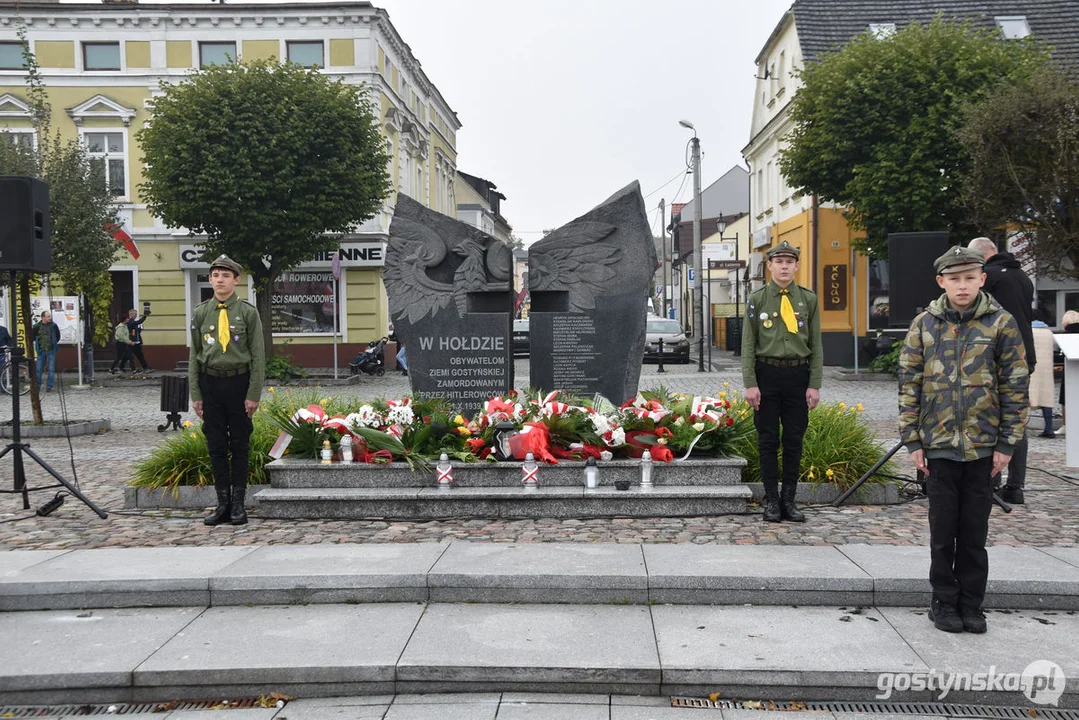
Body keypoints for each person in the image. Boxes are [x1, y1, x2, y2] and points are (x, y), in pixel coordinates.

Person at [898, 246, 1027, 634]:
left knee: (974, 532)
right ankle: (943, 601)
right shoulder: (924, 324)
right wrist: (912, 440)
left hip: (982, 447)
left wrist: (1007, 444)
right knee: (942, 533)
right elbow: (909, 384)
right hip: (937, 446)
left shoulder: (1001, 323)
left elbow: (1015, 386)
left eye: (969, 277)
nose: (962, 285)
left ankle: (972, 603)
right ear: (941, 282)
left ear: (982, 279)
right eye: (954, 279)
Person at [740, 240, 823, 523]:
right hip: (767, 375)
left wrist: (814, 384)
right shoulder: (758, 298)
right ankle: (771, 501)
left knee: (793, 440)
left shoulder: (808, 299)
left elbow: (816, 344)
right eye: (779, 262)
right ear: (770, 266)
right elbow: (749, 343)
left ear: (797, 266)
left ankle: (789, 500)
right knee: (767, 440)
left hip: (798, 376)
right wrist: (750, 383)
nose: (784, 266)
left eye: (790, 262)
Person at [189, 255, 265, 526]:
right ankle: (221, 504)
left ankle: (238, 506)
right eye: (215, 275)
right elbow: (194, 356)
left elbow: (257, 355)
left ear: (236, 280)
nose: (219, 280)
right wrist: (196, 395)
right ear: (209, 279)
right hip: (211, 385)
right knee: (216, 445)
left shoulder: (247, 312)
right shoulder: (200, 313)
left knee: (240, 445)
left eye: (225, 275)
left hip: (239, 383)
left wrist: (253, 393)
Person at [968, 237, 1034, 505]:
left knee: (989, 414)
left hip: (994, 354)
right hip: (1025, 354)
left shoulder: (989, 278)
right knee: (1016, 417)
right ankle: (1016, 486)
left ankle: (991, 482)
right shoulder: (1024, 278)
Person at [1030, 311, 1056, 440]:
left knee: (1026, 396)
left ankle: (1020, 428)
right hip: (1046, 369)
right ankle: (1049, 428)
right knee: (1047, 398)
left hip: (1032, 367)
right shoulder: (1049, 332)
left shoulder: (1028, 331)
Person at [1057, 310, 1079, 437]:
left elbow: (1060, 356)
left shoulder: (1066, 336)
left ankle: (1066, 425)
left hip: (1069, 372)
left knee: (1065, 398)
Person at [32, 310, 61, 392]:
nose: (50, 318)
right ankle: (38, 386)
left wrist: (53, 343)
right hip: (41, 350)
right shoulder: (36, 326)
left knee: (51, 369)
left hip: (51, 350)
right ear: (43, 317)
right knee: (38, 369)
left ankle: (49, 387)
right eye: (48, 316)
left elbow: (58, 336)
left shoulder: (53, 325)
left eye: (50, 316)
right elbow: (33, 337)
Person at [126, 307, 154, 373]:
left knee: (140, 356)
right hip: (131, 343)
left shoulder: (133, 322)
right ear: (131, 314)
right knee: (129, 357)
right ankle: (132, 369)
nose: (136, 315)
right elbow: (138, 322)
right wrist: (145, 316)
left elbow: (135, 332)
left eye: (136, 314)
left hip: (136, 342)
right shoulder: (130, 322)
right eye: (135, 314)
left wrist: (140, 330)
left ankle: (146, 367)